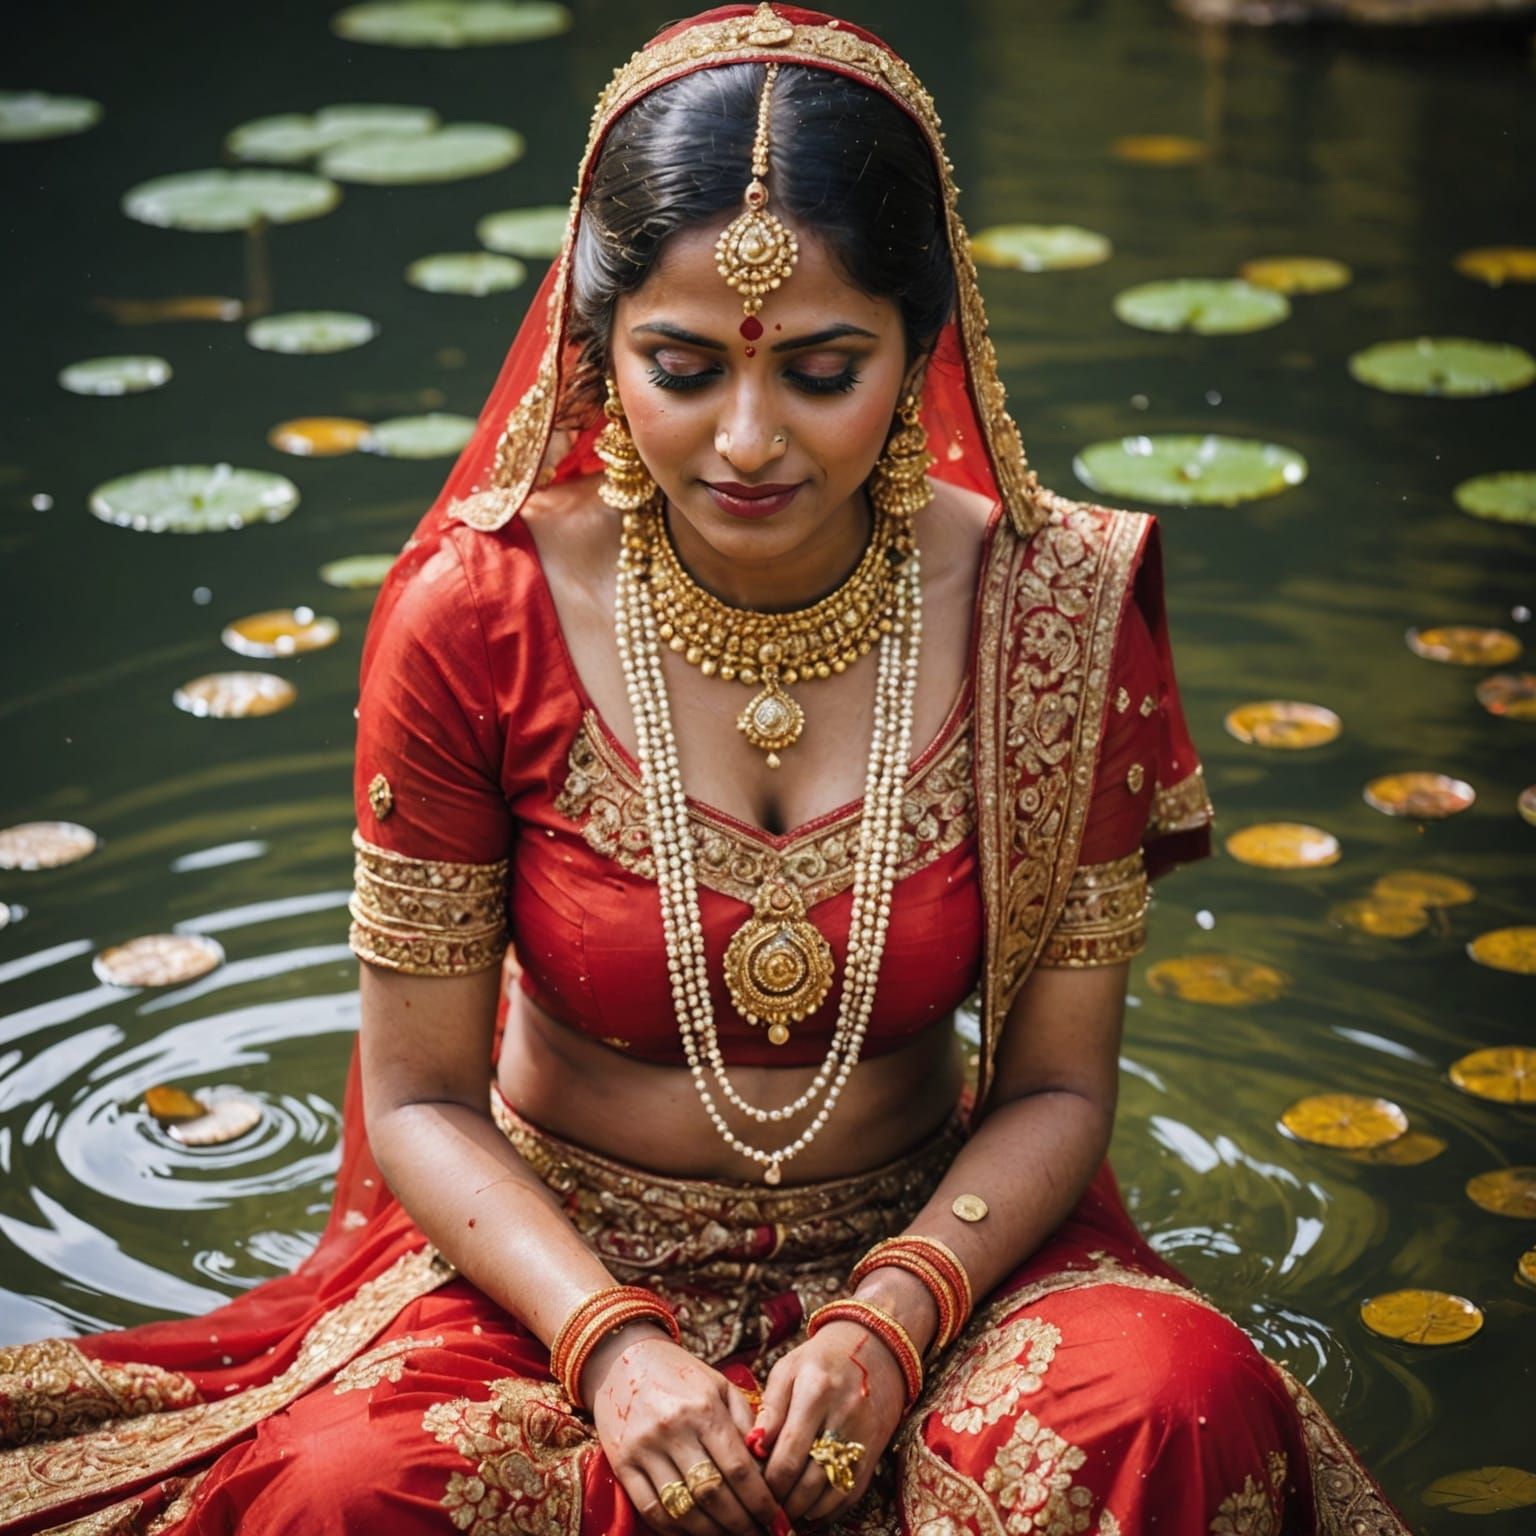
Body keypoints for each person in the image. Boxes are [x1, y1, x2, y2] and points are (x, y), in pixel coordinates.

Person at [0, 6, 1410, 1533]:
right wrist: (608, 1348)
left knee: (1165, 1408)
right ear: (597, 352)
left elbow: (1060, 1080)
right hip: (547, 1270)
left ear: (922, 348)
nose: (747, 439)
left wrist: (894, 1316)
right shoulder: (480, 614)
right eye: (681, 366)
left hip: (938, 1250)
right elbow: (418, 1099)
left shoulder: (1050, 611)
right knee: (347, 1491)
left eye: (822, 369)